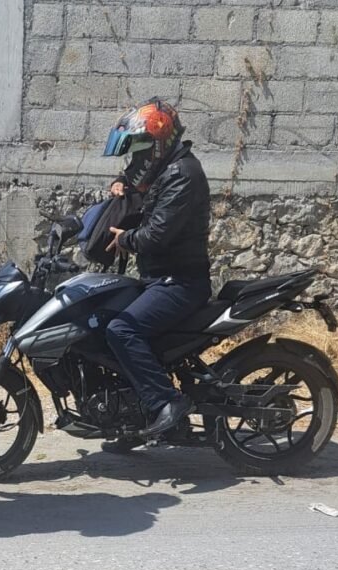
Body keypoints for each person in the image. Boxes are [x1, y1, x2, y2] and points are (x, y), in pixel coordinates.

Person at [101, 98, 212, 451]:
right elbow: (140, 179)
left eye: (140, 150)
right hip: (160, 278)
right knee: (103, 320)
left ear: (159, 144)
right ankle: (135, 421)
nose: (136, 158)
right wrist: (121, 182)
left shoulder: (183, 175)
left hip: (181, 282)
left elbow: (157, 233)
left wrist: (126, 238)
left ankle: (166, 402)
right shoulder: (167, 169)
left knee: (122, 329)